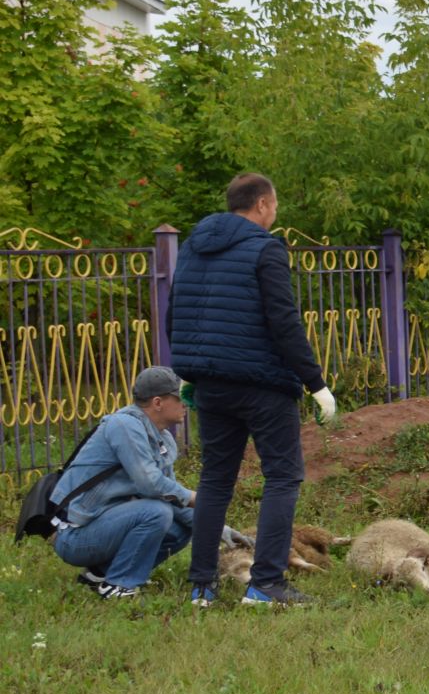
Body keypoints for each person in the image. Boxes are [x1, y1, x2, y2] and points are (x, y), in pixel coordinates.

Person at [170, 172, 336, 607]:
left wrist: (190, 372)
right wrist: (315, 383)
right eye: (275, 206)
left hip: (210, 384)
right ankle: (265, 584)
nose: (275, 213)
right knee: (282, 477)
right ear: (262, 204)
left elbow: (176, 311)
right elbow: (284, 322)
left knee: (214, 481)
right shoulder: (265, 249)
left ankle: (202, 586)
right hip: (262, 384)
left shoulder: (191, 247)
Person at [47, 367, 196, 599]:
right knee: (156, 512)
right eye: (179, 398)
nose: (186, 404)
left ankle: (100, 573)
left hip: (106, 525)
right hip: (74, 537)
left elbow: (173, 499)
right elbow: (151, 485)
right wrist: (192, 497)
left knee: (181, 528)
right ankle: (118, 585)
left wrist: (217, 527)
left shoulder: (162, 437)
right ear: (158, 402)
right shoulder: (125, 426)